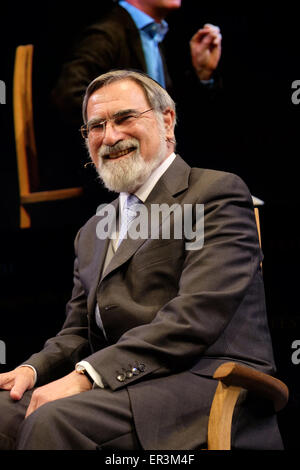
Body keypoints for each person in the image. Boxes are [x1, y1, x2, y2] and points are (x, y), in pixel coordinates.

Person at [0, 70, 282, 450]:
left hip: (204, 386)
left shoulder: (216, 193)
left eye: (124, 118)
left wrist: (86, 375)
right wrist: (31, 370)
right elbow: (76, 334)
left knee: (55, 419)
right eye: (96, 125)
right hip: (122, 386)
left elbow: (194, 318)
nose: (111, 136)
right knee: (4, 411)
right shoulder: (92, 230)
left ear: (167, 120)